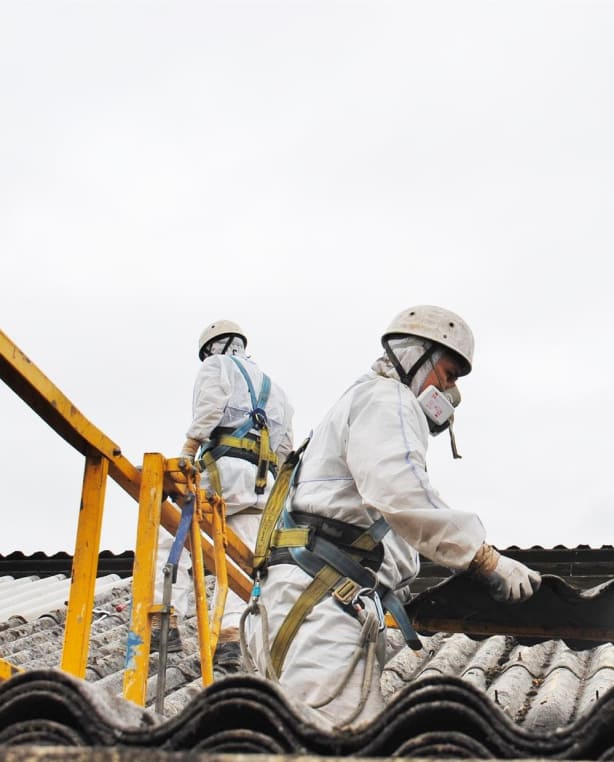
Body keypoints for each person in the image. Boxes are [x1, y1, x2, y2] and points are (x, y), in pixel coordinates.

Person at [244, 305, 541, 729]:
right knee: (332, 746)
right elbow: (401, 490)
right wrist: (483, 557)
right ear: (415, 356)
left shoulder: (360, 400)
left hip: (300, 601)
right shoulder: (388, 399)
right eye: (449, 375)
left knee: (301, 740)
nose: (450, 392)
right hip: (322, 613)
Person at [154, 319, 294, 667]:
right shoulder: (276, 390)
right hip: (261, 488)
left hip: (222, 475)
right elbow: (286, 449)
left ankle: (164, 617)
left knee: (168, 529)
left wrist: (188, 450)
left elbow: (210, 407)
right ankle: (231, 637)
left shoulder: (216, 366)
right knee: (239, 563)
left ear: (211, 349)